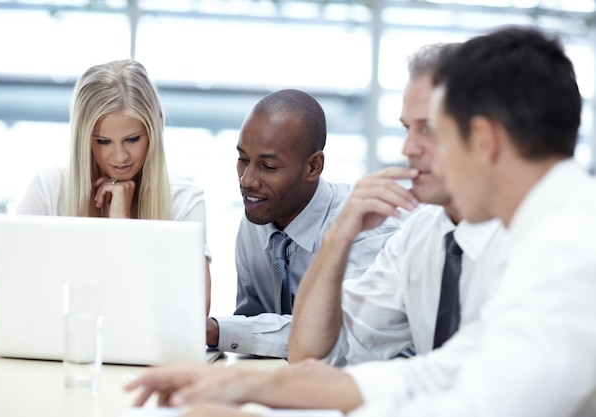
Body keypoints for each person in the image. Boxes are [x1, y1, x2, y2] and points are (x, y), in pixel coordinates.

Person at [124, 26, 596, 417]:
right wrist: (242, 386)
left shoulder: (568, 251)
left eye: (437, 133)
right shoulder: (541, 230)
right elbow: (439, 372)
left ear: (484, 140)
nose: (411, 152)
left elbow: (473, 406)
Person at [0, 59, 212, 353]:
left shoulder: (184, 201)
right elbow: (5, 298)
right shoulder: (48, 188)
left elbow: (192, 320)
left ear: (155, 127)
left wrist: (120, 225)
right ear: (83, 138)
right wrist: (0, 319)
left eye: (133, 139)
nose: (120, 156)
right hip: (53, 356)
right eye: (103, 141)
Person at [287, 42, 506, 366]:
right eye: (407, 129)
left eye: (427, 128)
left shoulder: (528, 239)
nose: (408, 149)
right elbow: (309, 353)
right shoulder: (421, 232)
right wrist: (337, 238)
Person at [206, 89, 399, 359]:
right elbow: (251, 320)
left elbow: (339, 339)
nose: (247, 180)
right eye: (243, 160)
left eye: (268, 166)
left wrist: (218, 330)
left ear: (313, 167)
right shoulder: (256, 220)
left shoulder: (365, 229)